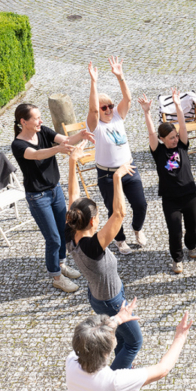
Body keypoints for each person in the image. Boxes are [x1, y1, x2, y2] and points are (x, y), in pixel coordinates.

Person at [66, 150, 142, 370]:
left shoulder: (70, 233)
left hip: (98, 296)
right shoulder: (93, 246)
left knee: (120, 338)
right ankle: (115, 377)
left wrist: (72, 163)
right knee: (135, 342)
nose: (101, 218)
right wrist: (117, 178)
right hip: (111, 300)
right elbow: (119, 214)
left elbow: (73, 199)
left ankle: (120, 365)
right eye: (98, 215)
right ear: (91, 223)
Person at [10, 103, 94, 293]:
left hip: (55, 191)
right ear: (23, 122)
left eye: (40, 117)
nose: (41, 121)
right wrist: (58, 149)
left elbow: (65, 140)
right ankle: (56, 276)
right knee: (53, 238)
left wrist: (80, 135)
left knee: (65, 231)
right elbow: (38, 154)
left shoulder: (43, 131)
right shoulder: (18, 145)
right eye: (36, 118)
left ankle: (62, 264)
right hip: (38, 197)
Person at [88, 57, 147, 255]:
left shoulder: (117, 116)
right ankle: (120, 240)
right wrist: (93, 82)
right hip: (107, 174)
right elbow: (93, 109)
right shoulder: (95, 125)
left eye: (110, 106)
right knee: (115, 210)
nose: (108, 110)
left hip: (128, 168)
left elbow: (128, 99)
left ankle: (137, 229)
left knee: (141, 205)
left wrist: (120, 76)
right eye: (104, 107)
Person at [140, 89, 196, 275]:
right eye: (171, 138)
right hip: (171, 200)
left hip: (189, 195)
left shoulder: (182, 144)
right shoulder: (158, 152)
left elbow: (182, 125)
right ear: (162, 139)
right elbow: (151, 134)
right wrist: (147, 112)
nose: (175, 140)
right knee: (175, 231)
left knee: (192, 227)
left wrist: (177, 106)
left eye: (175, 136)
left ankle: (191, 247)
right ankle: (177, 259)